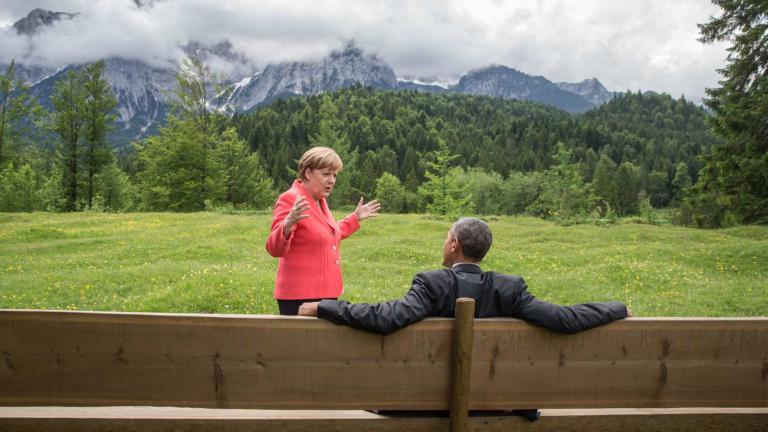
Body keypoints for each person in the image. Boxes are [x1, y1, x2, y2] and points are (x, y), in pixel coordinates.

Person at [298, 217, 631, 334]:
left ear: (454, 244)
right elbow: (565, 318)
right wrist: (617, 309)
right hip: (499, 402)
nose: (444, 243)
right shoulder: (508, 290)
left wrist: (324, 306)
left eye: (446, 237)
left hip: (428, 403)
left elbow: (386, 318)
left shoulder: (432, 285)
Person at [266, 146, 380, 315]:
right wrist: (288, 223)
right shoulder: (291, 198)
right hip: (299, 297)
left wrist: (355, 218)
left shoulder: (320, 201)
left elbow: (326, 234)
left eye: (334, 175)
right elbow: (274, 248)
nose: (332, 180)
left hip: (327, 294)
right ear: (308, 173)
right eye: (326, 174)